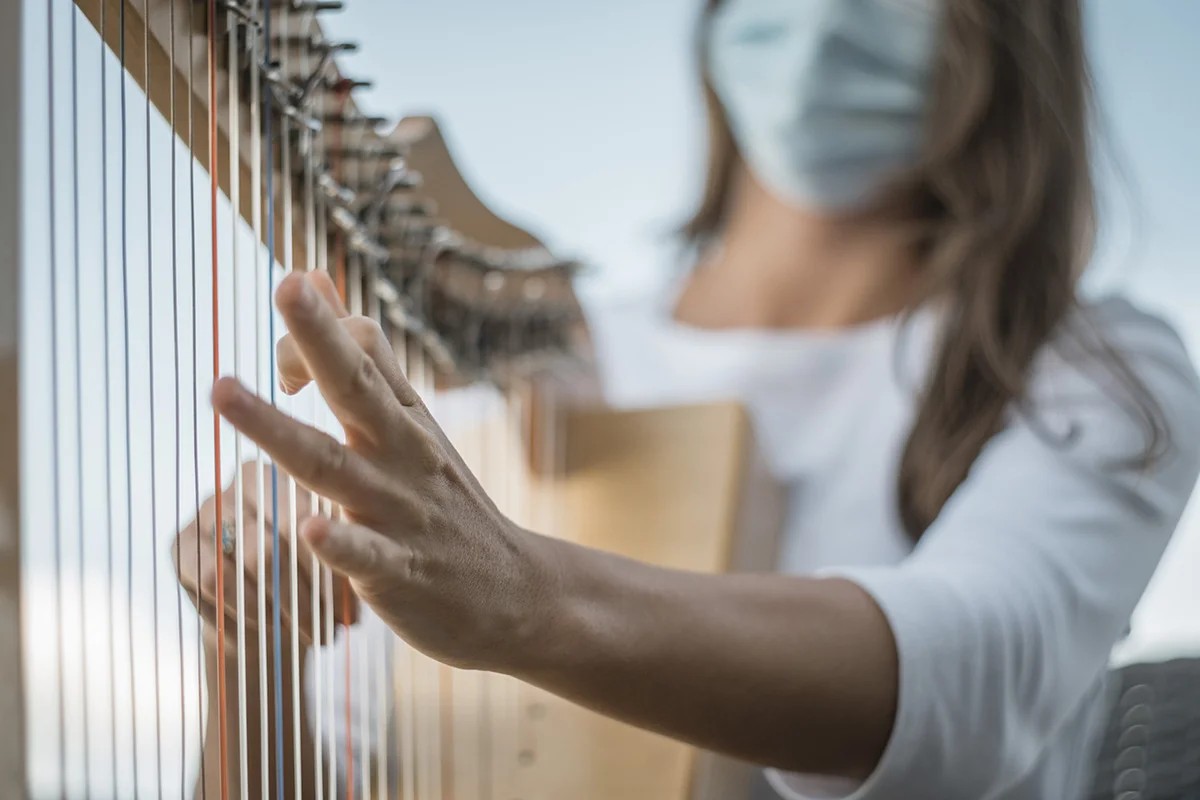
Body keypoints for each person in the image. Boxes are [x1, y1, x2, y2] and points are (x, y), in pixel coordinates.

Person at [176, 0, 1200, 797]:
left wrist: (526, 596)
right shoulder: (540, 375)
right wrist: (251, 638)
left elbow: (977, 675)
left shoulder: (1100, 366)